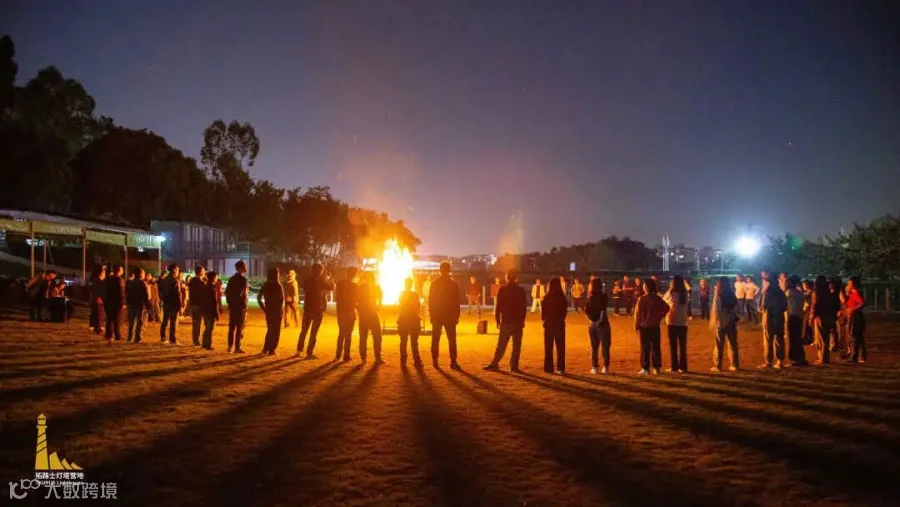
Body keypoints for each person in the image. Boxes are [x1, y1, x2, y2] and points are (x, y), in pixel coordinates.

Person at [484, 268, 527, 373]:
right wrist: (522, 320)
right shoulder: (520, 290)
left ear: (507, 277)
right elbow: (523, 307)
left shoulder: (502, 289)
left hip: (506, 320)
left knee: (501, 344)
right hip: (517, 321)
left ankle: (495, 362)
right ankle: (513, 365)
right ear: (516, 277)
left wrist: (497, 320)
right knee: (516, 345)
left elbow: (498, 306)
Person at [296, 263, 335, 358]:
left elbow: (304, 288)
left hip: (308, 309)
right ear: (321, 271)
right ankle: (309, 352)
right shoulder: (322, 281)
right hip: (318, 309)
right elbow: (331, 287)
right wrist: (330, 279)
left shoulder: (307, 280)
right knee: (313, 332)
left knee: (304, 331)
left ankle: (299, 351)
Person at [429, 261, 461, 370]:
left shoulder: (434, 283)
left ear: (440, 270)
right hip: (449, 316)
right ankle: (453, 361)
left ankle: (435, 360)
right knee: (451, 339)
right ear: (449, 270)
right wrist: (457, 316)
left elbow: (431, 301)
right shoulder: (453, 284)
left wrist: (432, 314)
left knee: (435, 339)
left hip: (437, 315)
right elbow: (457, 302)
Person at [633, 279, 668, 375]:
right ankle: (656, 368)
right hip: (655, 326)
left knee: (645, 348)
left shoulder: (642, 299)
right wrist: (660, 317)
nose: (643, 286)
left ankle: (645, 368)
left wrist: (636, 325)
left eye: (645, 285)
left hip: (644, 327)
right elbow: (666, 308)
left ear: (647, 287)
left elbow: (637, 314)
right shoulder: (657, 298)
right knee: (656, 347)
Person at [710, 276, 741, 372]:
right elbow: (737, 308)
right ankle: (734, 364)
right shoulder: (732, 295)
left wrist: (716, 321)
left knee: (719, 345)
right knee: (733, 343)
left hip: (721, 322)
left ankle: (718, 365)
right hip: (731, 321)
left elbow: (717, 310)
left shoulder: (719, 295)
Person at [759, 274, 788, 369]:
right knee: (779, 339)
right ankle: (780, 361)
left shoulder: (767, 292)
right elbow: (785, 307)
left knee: (768, 340)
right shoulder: (781, 292)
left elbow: (762, 306)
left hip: (768, 317)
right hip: (779, 317)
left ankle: (768, 361)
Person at [541, 277, 568, 374]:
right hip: (559, 324)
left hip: (548, 324)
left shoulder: (546, 297)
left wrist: (544, 320)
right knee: (560, 347)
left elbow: (543, 313)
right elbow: (564, 313)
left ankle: (548, 368)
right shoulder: (562, 298)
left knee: (548, 347)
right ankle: (561, 368)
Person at [811, 275, 840, 365]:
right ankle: (826, 358)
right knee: (826, 338)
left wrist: (811, 317)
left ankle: (822, 358)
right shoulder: (829, 294)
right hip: (829, 317)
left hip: (820, 317)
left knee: (820, 338)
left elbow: (814, 306)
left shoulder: (816, 294)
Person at [663, 275, 689, 373]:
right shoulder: (685, 294)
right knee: (683, 346)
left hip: (672, 321)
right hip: (683, 322)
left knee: (673, 346)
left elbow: (663, 300)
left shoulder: (671, 293)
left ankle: (674, 366)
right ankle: (683, 367)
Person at [585, 278, 611, 374]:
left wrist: (592, 321)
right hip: (601, 324)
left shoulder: (592, 297)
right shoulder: (603, 296)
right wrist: (597, 321)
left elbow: (587, 312)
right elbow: (602, 310)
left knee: (595, 346)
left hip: (596, 324)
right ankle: (605, 366)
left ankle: (595, 367)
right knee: (604, 345)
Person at [357, 271, 384, 364]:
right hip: (371, 314)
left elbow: (356, 300)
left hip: (366, 314)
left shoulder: (362, 287)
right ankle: (377, 357)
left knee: (364, 336)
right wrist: (379, 305)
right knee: (376, 336)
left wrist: (359, 308)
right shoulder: (375, 287)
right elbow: (381, 296)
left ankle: (364, 357)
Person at [258, 267, 285, 355]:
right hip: (277, 311)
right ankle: (272, 349)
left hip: (269, 311)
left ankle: (266, 348)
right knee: (276, 331)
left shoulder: (266, 285)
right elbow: (282, 299)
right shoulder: (278, 285)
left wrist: (264, 308)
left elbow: (259, 297)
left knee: (270, 330)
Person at [334, 267, 359, 362]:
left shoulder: (340, 283)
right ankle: (346, 355)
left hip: (341, 312)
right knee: (348, 335)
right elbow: (356, 301)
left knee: (341, 333)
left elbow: (337, 297)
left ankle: (337, 355)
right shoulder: (354, 286)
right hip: (350, 312)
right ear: (355, 274)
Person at [224, 260, 249, 353]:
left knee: (232, 327)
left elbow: (227, 292)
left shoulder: (231, 279)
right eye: (245, 266)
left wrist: (230, 304)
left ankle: (230, 346)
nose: (246, 267)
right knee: (239, 327)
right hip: (240, 307)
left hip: (233, 306)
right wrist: (243, 305)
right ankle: (237, 347)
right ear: (240, 268)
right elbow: (242, 294)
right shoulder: (243, 280)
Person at [398, 277, 422, 367]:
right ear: (411, 285)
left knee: (403, 341)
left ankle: (403, 361)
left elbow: (400, 306)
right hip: (413, 320)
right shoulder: (415, 295)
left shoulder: (401, 294)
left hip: (404, 320)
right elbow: (418, 307)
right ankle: (417, 360)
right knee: (414, 342)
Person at [785, 275, 808, 366]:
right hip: (799, 317)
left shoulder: (789, 292)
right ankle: (801, 358)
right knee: (798, 338)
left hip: (792, 317)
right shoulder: (800, 293)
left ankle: (794, 359)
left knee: (792, 338)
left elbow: (788, 306)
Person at [158, 264, 184, 345]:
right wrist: (180, 305)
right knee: (173, 322)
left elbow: (160, 292)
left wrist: (163, 300)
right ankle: (172, 339)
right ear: (174, 270)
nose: (178, 271)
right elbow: (178, 294)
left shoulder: (164, 280)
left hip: (166, 303)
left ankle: (163, 337)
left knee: (165, 321)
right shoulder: (175, 281)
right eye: (177, 269)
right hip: (173, 304)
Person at [845, 276, 866, 364]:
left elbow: (861, 303)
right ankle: (860, 356)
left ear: (854, 285)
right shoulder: (853, 293)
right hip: (856, 316)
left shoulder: (856, 292)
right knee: (857, 336)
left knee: (853, 336)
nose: (848, 285)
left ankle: (854, 356)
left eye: (850, 284)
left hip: (855, 317)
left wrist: (852, 309)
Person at [125, 267, 149, 343]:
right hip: (139, 305)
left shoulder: (130, 282)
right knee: (139, 322)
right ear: (141, 274)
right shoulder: (142, 283)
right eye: (143, 273)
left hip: (132, 304)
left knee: (132, 322)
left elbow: (127, 294)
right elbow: (145, 295)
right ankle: (138, 338)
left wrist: (128, 303)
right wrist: (147, 305)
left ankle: (130, 337)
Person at [104, 265, 126, 342]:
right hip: (117, 303)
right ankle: (115, 335)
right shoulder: (120, 280)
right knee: (117, 319)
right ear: (119, 271)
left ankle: (110, 335)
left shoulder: (108, 279)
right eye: (122, 270)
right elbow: (121, 292)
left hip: (108, 302)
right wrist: (123, 302)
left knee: (110, 318)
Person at [187, 266, 207, 346]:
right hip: (198, 304)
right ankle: (196, 340)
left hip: (194, 304)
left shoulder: (193, 280)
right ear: (200, 272)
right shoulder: (199, 281)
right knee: (198, 323)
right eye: (204, 271)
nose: (205, 272)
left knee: (196, 323)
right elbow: (202, 293)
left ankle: (195, 339)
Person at [200, 272, 220, 350]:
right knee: (210, 328)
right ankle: (208, 344)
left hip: (205, 310)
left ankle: (204, 343)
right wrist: (217, 313)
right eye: (216, 277)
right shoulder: (212, 289)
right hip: (211, 311)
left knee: (207, 327)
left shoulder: (204, 287)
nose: (217, 279)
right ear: (213, 278)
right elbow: (214, 302)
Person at [89, 267, 107, 335]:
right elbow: (100, 291)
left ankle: (96, 327)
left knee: (97, 314)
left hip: (95, 299)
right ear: (101, 273)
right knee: (99, 315)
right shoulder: (99, 281)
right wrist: (101, 298)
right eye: (104, 272)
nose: (105, 274)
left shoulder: (95, 280)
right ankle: (99, 328)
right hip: (98, 300)